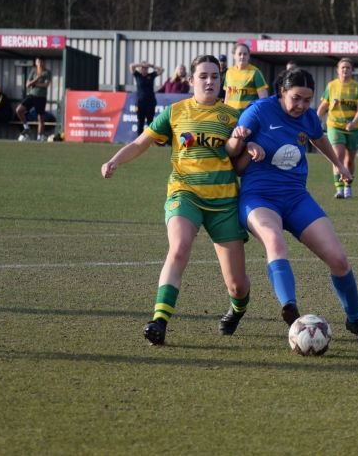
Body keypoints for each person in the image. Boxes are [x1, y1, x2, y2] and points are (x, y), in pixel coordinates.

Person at [101, 54, 256, 346]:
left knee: (236, 285)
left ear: (221, 80)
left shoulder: (233, 116)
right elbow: (141, 142)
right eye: (203, 76)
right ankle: (159, 321)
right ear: (191, 80)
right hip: (184, 193)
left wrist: (251, 151)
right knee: (179, 247)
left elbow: (241, 161)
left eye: (214, 76)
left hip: (223, 202)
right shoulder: (175, 112)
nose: (210, 81)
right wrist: (115, 160)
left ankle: (237, 309)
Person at [226, 67, 358, 343]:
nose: (302, 106)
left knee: (339, 259)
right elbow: (231, 153)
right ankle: (290, 309)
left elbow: (319, 138)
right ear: (282, 91)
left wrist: (337, 164)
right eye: (296, 98)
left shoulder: (308, 117)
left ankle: (355, 321)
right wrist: (243, 144)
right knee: (275, 241)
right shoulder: (259, 111)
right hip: (259, 196)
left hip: (296, 197)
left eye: (307, 100)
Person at [317, 57, 358, 199]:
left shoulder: (357, 87)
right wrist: (316, 120)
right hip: (335, 126)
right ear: (338, 70)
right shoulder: (332, 86)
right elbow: (324, 106)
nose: (345, 70)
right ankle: (338, 189)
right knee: (338, 156)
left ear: (352, 70)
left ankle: (348, 187)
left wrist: (353, 122)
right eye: (342, 67)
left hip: (353, 128)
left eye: (348, 68)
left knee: (349, 160)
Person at [223, 42, 269, 110]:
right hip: (231, 116)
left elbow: (263, 99)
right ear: (234, 56)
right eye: (239, 54)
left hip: (247, 116)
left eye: (245, 54)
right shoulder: (229, 72)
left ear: (249, 56)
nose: (242, 56)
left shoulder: (255, 72)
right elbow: (227, 95)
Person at [16, 57, 51, 141]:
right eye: (38, 61)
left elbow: (46, 85)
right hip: (31, 95)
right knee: (19, 110)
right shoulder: (33, 71)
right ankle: (26, 127)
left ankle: (40, 137)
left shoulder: (47, 72)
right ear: (36, 63)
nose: (39, 63)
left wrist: (35, 84)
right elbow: (27, 84)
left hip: (41, 97)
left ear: (43, 62)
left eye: (41, 61)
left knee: (40, 117)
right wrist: (36, 79)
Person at [129, 60, 164, 135]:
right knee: (140, 122)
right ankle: (139, 139)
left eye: (146, 68)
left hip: (150, 102)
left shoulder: (151, 75)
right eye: (143, 68)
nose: (144, 69)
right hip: (140, 103)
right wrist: (140, 64)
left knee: (150, 122)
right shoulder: (138, 75)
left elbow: (161, 70)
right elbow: (131, 66)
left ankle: (150, 139)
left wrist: (151, 65)